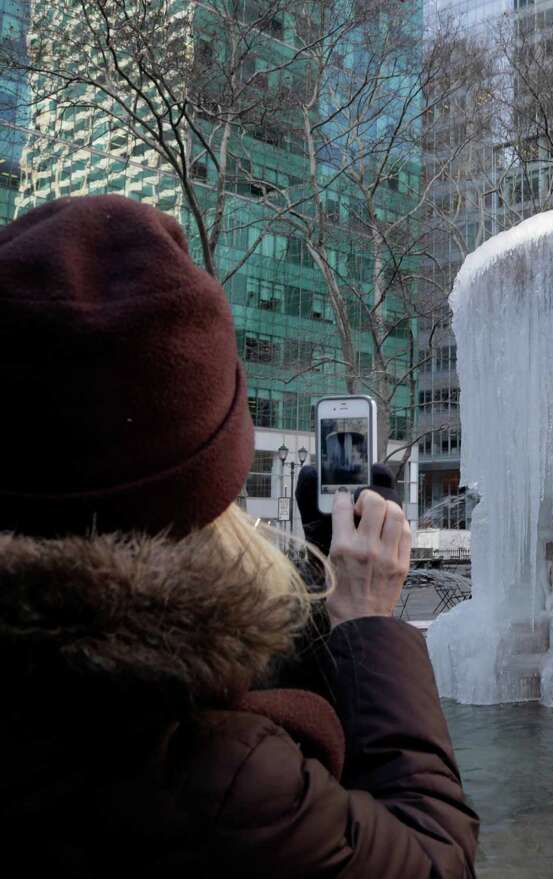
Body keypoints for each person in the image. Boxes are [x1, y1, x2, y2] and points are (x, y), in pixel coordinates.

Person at [0, 195, 478, 876]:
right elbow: (435, 859)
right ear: (204, 482)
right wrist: (368, 624)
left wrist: (320, 590)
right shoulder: (218, 776)